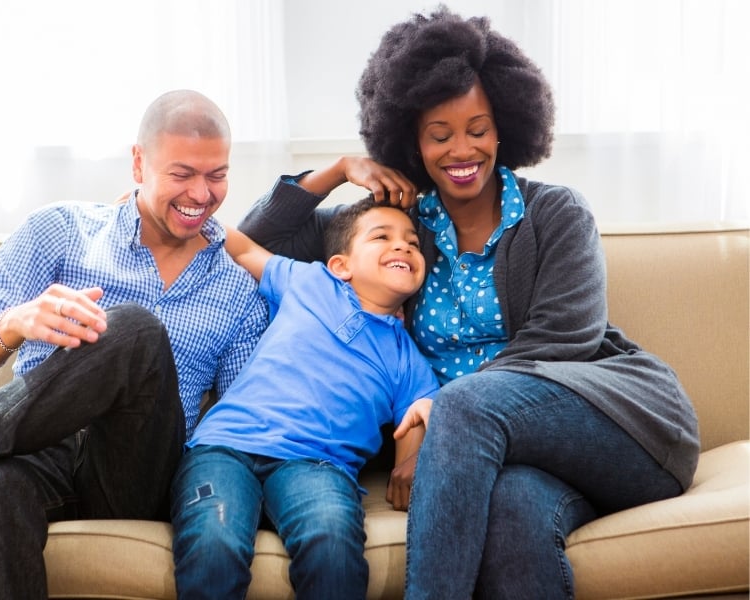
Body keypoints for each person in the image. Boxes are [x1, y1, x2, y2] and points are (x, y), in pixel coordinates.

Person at [237, 7, 700, 599]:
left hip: (621, 431)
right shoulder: (402, 229)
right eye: (440, 134)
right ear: (412, 141)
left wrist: (443, 411)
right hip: (506, 460)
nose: (463, 149)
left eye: (478, 129)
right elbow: (259, 243)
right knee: (512, 516)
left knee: (465, 405)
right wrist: (336, 170)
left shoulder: (555, 214)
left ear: (506, 125)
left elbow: (566, 338)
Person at [0, 89, 268, 599]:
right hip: (32, 449)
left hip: (138, 472)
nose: (201, 194)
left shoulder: (239, 288)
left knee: (134, 329)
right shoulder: (59, 231)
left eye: (217, 175)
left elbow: (242, 422)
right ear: (139, 163)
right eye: (182, 174)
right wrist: (19, 320)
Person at [170, 198, 439, 600]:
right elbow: (242, 248)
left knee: (332, 543)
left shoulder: (410, 361)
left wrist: (415, 460)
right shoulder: (312, 283)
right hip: (226, 446)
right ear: (340, 266)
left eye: (413, 244)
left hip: (317, 466)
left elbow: (408, 456)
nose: (403, 247)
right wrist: (163, 213)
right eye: (382, 237)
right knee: (213, 541)